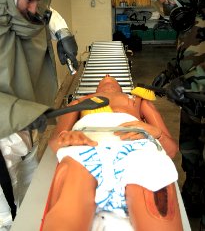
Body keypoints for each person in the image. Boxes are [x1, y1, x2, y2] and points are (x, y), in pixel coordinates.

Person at [0, 0, 78, 229]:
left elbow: (46, 12)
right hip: (4, 142)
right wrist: (24, 113)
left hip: (27, 136)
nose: (35, 9)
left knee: (32, 203)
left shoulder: (20, 6)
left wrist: (63, 33)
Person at [41, 75, 183, 231]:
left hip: (137, 150)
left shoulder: (137, 100)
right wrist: (65, 137)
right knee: (67, 208)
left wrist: (156, 133)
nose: (107, 76)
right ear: (95, 89)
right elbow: (55, 142)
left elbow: (171, 150)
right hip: (86, 148)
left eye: (111, 76)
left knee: (158, 204)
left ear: (122, 88)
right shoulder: (80, 102)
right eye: (103, 77)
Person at [150, 0, 205, 230]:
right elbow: (191, 53)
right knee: (192, 154)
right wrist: (170, 73)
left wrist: (190, 85)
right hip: (195, 108)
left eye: (166, 3)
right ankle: (194, 194)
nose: (167, 11)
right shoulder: (194, 15)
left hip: (199, 97)